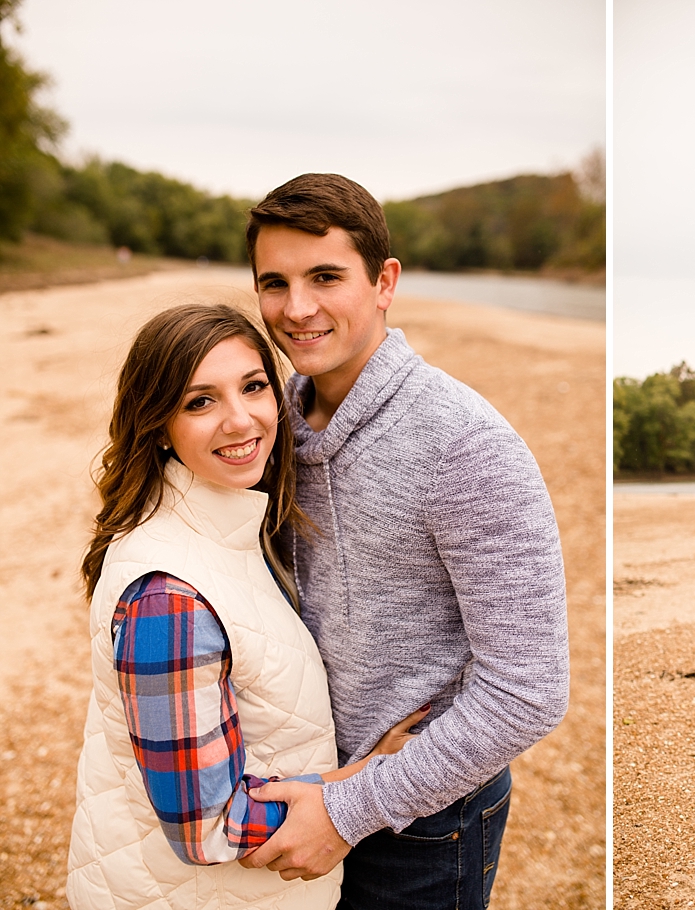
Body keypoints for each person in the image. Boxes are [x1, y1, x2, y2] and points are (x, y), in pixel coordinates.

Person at [236, 174, 570, 909]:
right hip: (299, 787)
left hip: (422, 822)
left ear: (385, 281)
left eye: (326, 277)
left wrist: (353, 809)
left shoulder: (465, 444)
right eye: (275, 283)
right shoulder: (267, 429)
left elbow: (529, 691)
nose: (297, 309)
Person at [67, 304, 425, 909]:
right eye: (199, 401)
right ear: (157, 425)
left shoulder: (226, 530)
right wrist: (368, 785)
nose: (241, 420)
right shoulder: (167, 600)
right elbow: (208, 825)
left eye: (254, 387)